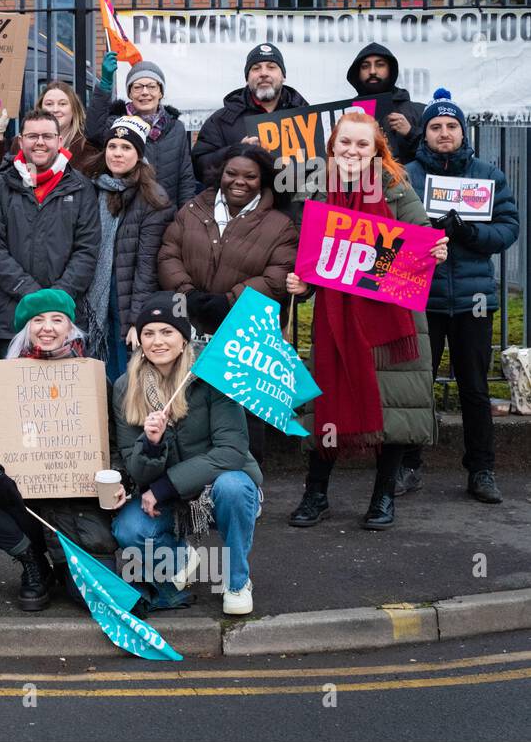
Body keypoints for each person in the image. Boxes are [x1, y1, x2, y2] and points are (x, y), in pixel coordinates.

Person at [287, 111, 448, 531]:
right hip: (336, 319)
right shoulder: (317, 193)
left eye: (362, 144)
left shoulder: (397, 188)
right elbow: (313, 261)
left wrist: (436, 250)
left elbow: (422, 240)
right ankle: (315, 495)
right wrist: (301, 281)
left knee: (390, 408)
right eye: (345, 143)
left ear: (376, 150)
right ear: (332, 148)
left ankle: (383, 498)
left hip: (390, 324)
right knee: (328, 399)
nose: (353, 151)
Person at [397, 89, 518, 503]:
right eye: (436, 126)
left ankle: (481, 470)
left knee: (475, 388)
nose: (444, 133)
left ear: (462, 132)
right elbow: (389, 233)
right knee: (416, 387)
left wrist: (469, 232)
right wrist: (421, 235)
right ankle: (408, 466)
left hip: (474, 301)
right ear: (425, 133)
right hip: (421, 299)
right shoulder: (407, 175)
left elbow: (508, 229)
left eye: (451, 126)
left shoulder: (488, 174)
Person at [0, 289, 116, 611]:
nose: (47, 327)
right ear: (26, 329)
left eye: (57, 319)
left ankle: (64, 565)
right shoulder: (4, 381)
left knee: (91, 600)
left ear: (70, 328)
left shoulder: (92, 376)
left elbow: (114, 441)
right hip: (24, 499)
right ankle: (33, 563)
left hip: (80, 504)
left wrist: (117, 478)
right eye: (38, 320)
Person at [112, 292, 263, 614]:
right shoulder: (126, 387)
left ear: (184, 339)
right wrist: (152, 444)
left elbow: (230, 452)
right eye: (149, 333)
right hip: (170, 496)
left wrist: (164, 486)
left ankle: (236, 582)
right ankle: (181, 557)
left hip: (217, 484)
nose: (157, 341)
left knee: (234, 487)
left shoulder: (214, 377)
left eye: (167, 332)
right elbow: (136, 469)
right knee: (128, 529)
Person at [158, 143, 298, 464]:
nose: (239, 181)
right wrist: (188, 293)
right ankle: (194, 482)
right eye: (231, 173)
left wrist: (229, 300)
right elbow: (168, 253)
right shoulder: (193, 209)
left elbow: (279, 275)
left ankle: (248, 483)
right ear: (220, 174)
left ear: (262, 180)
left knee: (244, 411)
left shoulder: (280, 224)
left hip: (244, 332)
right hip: (191, 323)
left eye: (250, 176)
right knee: (190, 404)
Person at [0, 109, 102, 353]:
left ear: (59, 140)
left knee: (66, 392)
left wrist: (57, 297)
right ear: (21, 141)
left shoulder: (81, 187)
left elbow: (87, 249)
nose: (40, 142)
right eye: (33, 136)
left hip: (66, 316)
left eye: (47, 136)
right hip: (14, 317)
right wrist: (30, 293)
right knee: (14, 391)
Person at [84, 116, 174, 381]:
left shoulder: (153, 199)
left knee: (126, 374)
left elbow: (147, 265)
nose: (117, 154)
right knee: (98, 371)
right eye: (112, 146)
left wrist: (138, 319)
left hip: (128, 297)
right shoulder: (92, 187)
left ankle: (123, 422)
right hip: (95, 294)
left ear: (139, 154)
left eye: (126, 148)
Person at [191, 42, 311, 184]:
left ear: (283, 76)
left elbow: (320, 170)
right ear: (247, 78)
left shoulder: (306, 117)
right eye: (256, 68)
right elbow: (199, 169)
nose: (264, 73)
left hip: (293, 203)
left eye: (271, 67)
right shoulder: (221, 121)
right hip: (241, 204)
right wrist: (236, 151)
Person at [86, 55, 196, 207]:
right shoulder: (117, 123)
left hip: (168, 214)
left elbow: (186, 177)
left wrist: (185, 217)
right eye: (137, 87)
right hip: (128, 213)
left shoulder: (176, 128)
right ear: (130, 94)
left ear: (161, 93)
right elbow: (93, 132)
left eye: (152, 86)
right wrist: (105, 85)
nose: (145, 92)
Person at [0, 80, 100, 182]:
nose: (55, 109)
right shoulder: (21, 143)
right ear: (40, 109)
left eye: (62, 104)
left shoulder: (85, 147)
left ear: (74, 110)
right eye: (49, 104)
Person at [346, 43, 425, 164]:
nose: (372, 71)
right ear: (357, 72)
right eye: (365, 66)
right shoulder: (346, 115)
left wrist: (411, 132)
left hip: (406, 182)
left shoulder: (419, 111)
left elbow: (440, 157)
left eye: (380, 65)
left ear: (391, 70)